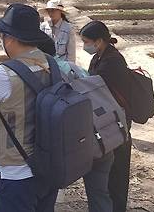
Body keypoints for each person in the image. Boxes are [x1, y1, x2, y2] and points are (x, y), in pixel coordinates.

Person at [0, 4, 59, 212]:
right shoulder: (51, 63)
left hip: (16, 173)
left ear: (9, 38)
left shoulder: (3, 75)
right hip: (48, 166)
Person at [37, 35, 113, 212]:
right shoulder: (72, 67)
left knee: (48, 189)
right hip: (99, 136)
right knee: (99, 194)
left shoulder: (45, 75)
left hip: (72, 145)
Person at [80, 21, 134, 212]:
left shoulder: (113, 60)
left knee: (118, 170)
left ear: (99, 41)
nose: (84, 46)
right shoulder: (99, 56)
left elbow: (98, 85)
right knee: (108, 167)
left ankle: (117, 206)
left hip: (118, 120)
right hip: (106, 119)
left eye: (86, 41)